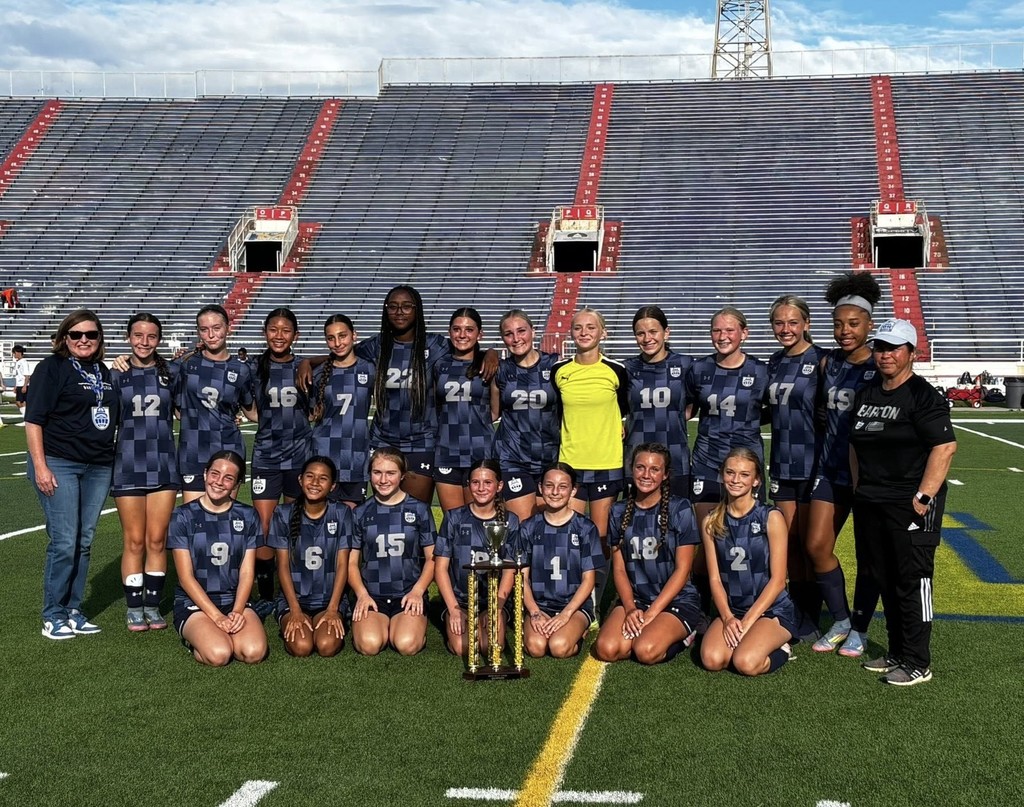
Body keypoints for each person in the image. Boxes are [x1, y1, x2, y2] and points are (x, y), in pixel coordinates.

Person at [849, 319, 957, 686]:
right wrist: (858, 485)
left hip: (910, 504)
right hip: (871, 501)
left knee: (914, 581)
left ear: (912, 352)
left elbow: (944, 447)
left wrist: (923, 497)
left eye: (894, 348)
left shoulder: (923, 396)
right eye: (880, 347)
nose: (886, 355)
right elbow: (854, 443)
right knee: (883, 576)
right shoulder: (868, 393)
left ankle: (918, 661)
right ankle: (897, 651)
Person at [27, 310, 118, 640]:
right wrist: (40, 466)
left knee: (84, 540)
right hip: (59, 462)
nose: (84, 340)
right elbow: (34, 420)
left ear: (99, 339)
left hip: (98, 465)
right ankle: (53, 613)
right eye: (76, 334)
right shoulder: (51, 368)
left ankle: (73, 610)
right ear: (64, 337)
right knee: (65, 540)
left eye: (91, 335)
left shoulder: (103, 370)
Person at [808, 272, 882, 656]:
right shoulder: (828, 364)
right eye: (838, 324)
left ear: (870, 324)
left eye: (853, 324)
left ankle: (862, 627)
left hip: (868, 476)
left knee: (870, 555)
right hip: (830, 469)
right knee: (817, 545)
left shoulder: (881, 364)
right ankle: (840, 619)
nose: (844, 331)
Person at [594, 443, 701, 665]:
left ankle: (686, 637)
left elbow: (683, 570)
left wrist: (651, 614)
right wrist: (631, 608)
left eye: (654, 469)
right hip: (637, 599)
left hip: (676, 599)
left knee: (645, 650)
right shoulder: (617, 511)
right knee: (607, 650)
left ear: (665, 475)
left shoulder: (680, 508)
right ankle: (644, 625)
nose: (646, 474)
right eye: (640, 467)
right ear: (631, 470)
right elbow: (620, 569)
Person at [111, 313, 181, 631]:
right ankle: (134, 606)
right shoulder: (117, 373)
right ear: (129, 338)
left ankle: (153, 606)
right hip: (127, 464)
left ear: (159, 340)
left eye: (151, 336)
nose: (144, 342)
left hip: (164, 463)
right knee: (134, 541)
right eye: (138, 335)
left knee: (156, 540)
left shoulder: (172, 373)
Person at [700, 448, 796, 676]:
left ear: (756, 480)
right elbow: (714, 579)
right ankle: (745, 636)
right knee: (713, 660)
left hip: (771, 609)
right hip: (733, 610)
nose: (735, 480)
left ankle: (783, 647)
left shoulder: (770, 517)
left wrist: (747, 623)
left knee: (746, 663)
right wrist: (728, 618)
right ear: (722, 475)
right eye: (730, 472)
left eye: (744, 474)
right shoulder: (711, 521)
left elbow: (778, 581)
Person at [168, 450, 268, 666]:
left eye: (228, 478)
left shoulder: (248, 515)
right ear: (205, 474)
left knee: (253, 652)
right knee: (220, 654)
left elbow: (247, 572)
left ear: (236, 484)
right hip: (194, 603)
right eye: (215, 474)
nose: (219, 482)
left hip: (234, 600)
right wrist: (217, 617)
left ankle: (224, 631)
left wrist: (237, 611)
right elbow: (185, 577)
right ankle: (196, 639)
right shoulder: (182, 515)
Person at [765, 295, 826, 639]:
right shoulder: (773, 362)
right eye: (779, 323)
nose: (785, 329)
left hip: (813, 462)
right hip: (782, 462)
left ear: (806, 323)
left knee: (810, 543)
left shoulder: (821, 360)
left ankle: (812, 615)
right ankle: (795, 610)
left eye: (792, 322)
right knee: (787, 542)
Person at [249, 308, 312, 612]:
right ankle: (265, 595)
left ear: (295, 336)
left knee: (294, 526)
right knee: (264, 527)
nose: (279, 335)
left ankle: (295, 589)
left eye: (285, 330)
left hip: (300, 459)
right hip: (266, 457)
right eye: (273, 329)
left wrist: (311, 362)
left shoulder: (304, 367)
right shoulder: (253, 368)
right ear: (265, 332)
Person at [685, 306, 769, 529]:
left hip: (746, 461)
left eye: (729, 330)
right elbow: (687, 409)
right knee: (708, 532)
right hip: (707, 460)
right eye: (716, 330)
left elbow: (776, 410)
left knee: (748, 534)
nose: (722, 337)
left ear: (744, 333)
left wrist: (746, 422)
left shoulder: (760, 371)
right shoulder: (699, 368)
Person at [552, 307, 629, 550]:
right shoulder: (559, 371)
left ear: (603, 333)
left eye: (591, 327)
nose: (584, 332)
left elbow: (625, 408)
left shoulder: (616, 371)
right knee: (569, 537)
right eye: (578, 327)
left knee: (601, 539)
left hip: (606, 463)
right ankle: (576, 588)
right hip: (570, 463)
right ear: (571, 333)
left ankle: (595, 587)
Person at [348, 448, 437, 655]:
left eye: (391, 473)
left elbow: (432, 558)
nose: (383, 479)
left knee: (406, 645)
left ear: (402, 475)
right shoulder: (360, 513)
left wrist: (418, 591)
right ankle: (379, 625)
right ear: (369, 474)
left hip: (407, 593)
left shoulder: (419, 509)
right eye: (377, 472)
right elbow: (351, 563)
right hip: (373, 595)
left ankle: (405, 625)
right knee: (369, 645)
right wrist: (361, 594)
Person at [267, 456, 354, 658]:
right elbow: (282, 566)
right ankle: (288, 614)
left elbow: (343, 564)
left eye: (323, 478)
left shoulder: (341, 513)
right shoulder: (283, 513)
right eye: (310, 476)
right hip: (294, 599)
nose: (315, 483)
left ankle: (329, 614)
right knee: (301, 647)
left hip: (328, 599)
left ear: (332, 486)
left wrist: (333, 608)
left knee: (326, 646)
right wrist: (295, 610)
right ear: (300, 480)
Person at [434, 458, 520, 656]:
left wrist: (496, 607)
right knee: (464, 648)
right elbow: (440, 568)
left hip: (493, 599)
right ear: (468, 485)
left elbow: (510, 568)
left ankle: (492, 619)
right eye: (475, 482)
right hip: (461, 601)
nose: (481, 488)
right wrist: (453, 609)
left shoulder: (510, 520)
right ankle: (451, 620)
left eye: (488, 483)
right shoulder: (454, 518)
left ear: (499, 486)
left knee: (490, 647)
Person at [519, 463, 605, 658]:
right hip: (540, 606)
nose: (555, 492)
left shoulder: (585, 528)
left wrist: (566, 614)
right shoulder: (528, 527)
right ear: (540, 488)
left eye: (563, 486)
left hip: (573, 606)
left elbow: (588, 580)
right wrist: (534, 612)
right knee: (536, 648)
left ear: (573, 490)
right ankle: (542, 624)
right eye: (549, 486)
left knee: (559, 647)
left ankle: (579, 629)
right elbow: (521, 578)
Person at [174, 304, 256, 504]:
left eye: (217, 328)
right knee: (193, 523)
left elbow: (251, 411)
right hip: (193, 450)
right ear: (198, 332)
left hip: (228, 448)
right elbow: (178, 412)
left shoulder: (242, 370)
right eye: (204, 329)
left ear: (228, 327)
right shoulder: (185, 365)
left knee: (224, 521)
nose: (211, 335)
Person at [492, 309, 561, 523]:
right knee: (522, 527)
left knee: (548, 527)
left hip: (550, 458)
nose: (516, 338)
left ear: (533, 331)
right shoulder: (500, 370)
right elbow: (492, 413)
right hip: (513, 458)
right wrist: (489, 353)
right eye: (508, 334)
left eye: (521, 331)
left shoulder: (555, 364)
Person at [433, 308, 499, 512]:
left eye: (469, 330)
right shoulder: (438, 364)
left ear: (480, 334)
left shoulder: (489, 366)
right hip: (446, 450)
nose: (462, 335)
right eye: (457, 329)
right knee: (454, 523)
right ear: (449, 331)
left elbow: (495, 412)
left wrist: (491, 352)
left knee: (479, 521)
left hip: (480, 451)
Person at [624, 307, 692, 500]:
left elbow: (694, 403)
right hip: (636, 455)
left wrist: (673, 418)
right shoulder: (627, 368)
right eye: (640, 333)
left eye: (653, 331)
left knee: (676, 518)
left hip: (675, 454)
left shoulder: (686, 365)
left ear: (666, 332)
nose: (647, 339)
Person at [309, 314, 375, 506]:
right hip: (324, 453)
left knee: (351, 524)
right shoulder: (318, 373)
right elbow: (311, 413)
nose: (337, 343)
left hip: (356, 455)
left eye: (342, 336)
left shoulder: (369, 369)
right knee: (324, 520)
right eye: (331, 338)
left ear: (354, 335)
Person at [12, 343, 30, 422]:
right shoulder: (18, 362)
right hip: (19, 385)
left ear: (18, 352)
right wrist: (15, 386)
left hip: (23, 385)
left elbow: (27, 375)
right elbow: (17, 375)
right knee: (20, 403)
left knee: (20, 402)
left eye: (14, 353)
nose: (13, 354)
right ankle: (26, 419)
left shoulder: (24, 362)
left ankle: (26, 420)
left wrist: (25, 386)